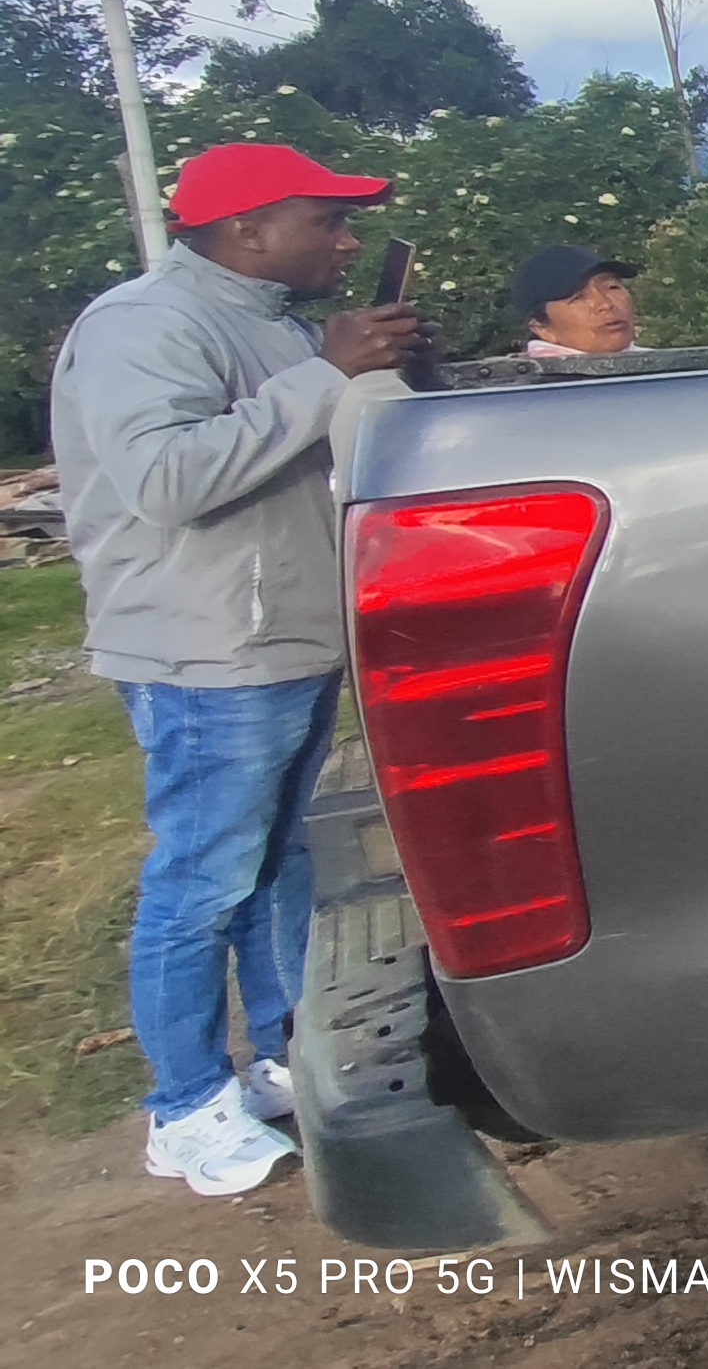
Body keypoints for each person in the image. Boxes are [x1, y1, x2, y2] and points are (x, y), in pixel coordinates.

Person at [49, 142, 432, 1198]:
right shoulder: (144, 324)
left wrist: (381, 372)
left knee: (277, 868)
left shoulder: (276, 325)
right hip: (205, 651)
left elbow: (309, 452)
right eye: (327, 221)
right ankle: (182, 1109)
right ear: (249, 228)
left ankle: (278, 1055)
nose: (345, 242)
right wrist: (326, 374)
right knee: (203, 880)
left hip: (283, 639)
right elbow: (167, 479)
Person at [512, 245, 642, 358]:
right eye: (578, 297)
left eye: (612, 287)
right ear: (543, 329)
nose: (606, 305)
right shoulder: (536, 378)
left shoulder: (652, 367)